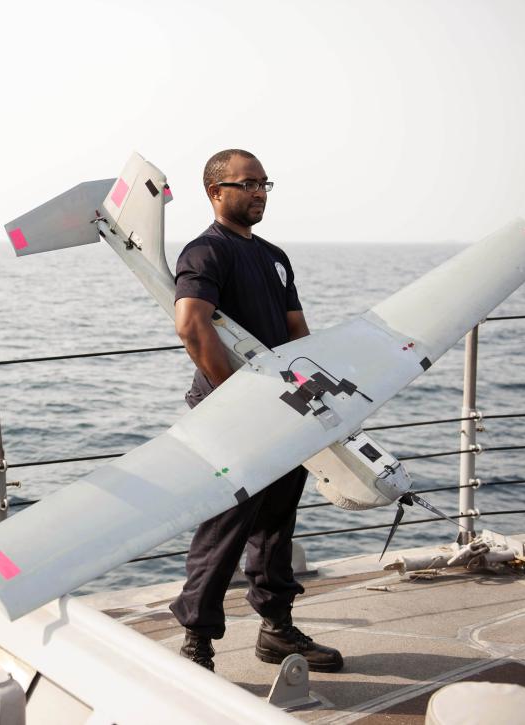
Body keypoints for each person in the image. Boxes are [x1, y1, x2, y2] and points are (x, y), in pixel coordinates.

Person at [168, 149, 343, 672]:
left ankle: (277, 629)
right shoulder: (204, 253)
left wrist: (315, 397)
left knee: (275, 525)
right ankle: (197, 645)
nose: (259, 192)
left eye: (264, 183)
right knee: (225, 527)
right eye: (247, 184)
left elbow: (296, 333)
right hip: (231, 411)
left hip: (283, 408)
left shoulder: (274, 256)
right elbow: (191, 325)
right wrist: (238, 402)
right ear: (216, 193)